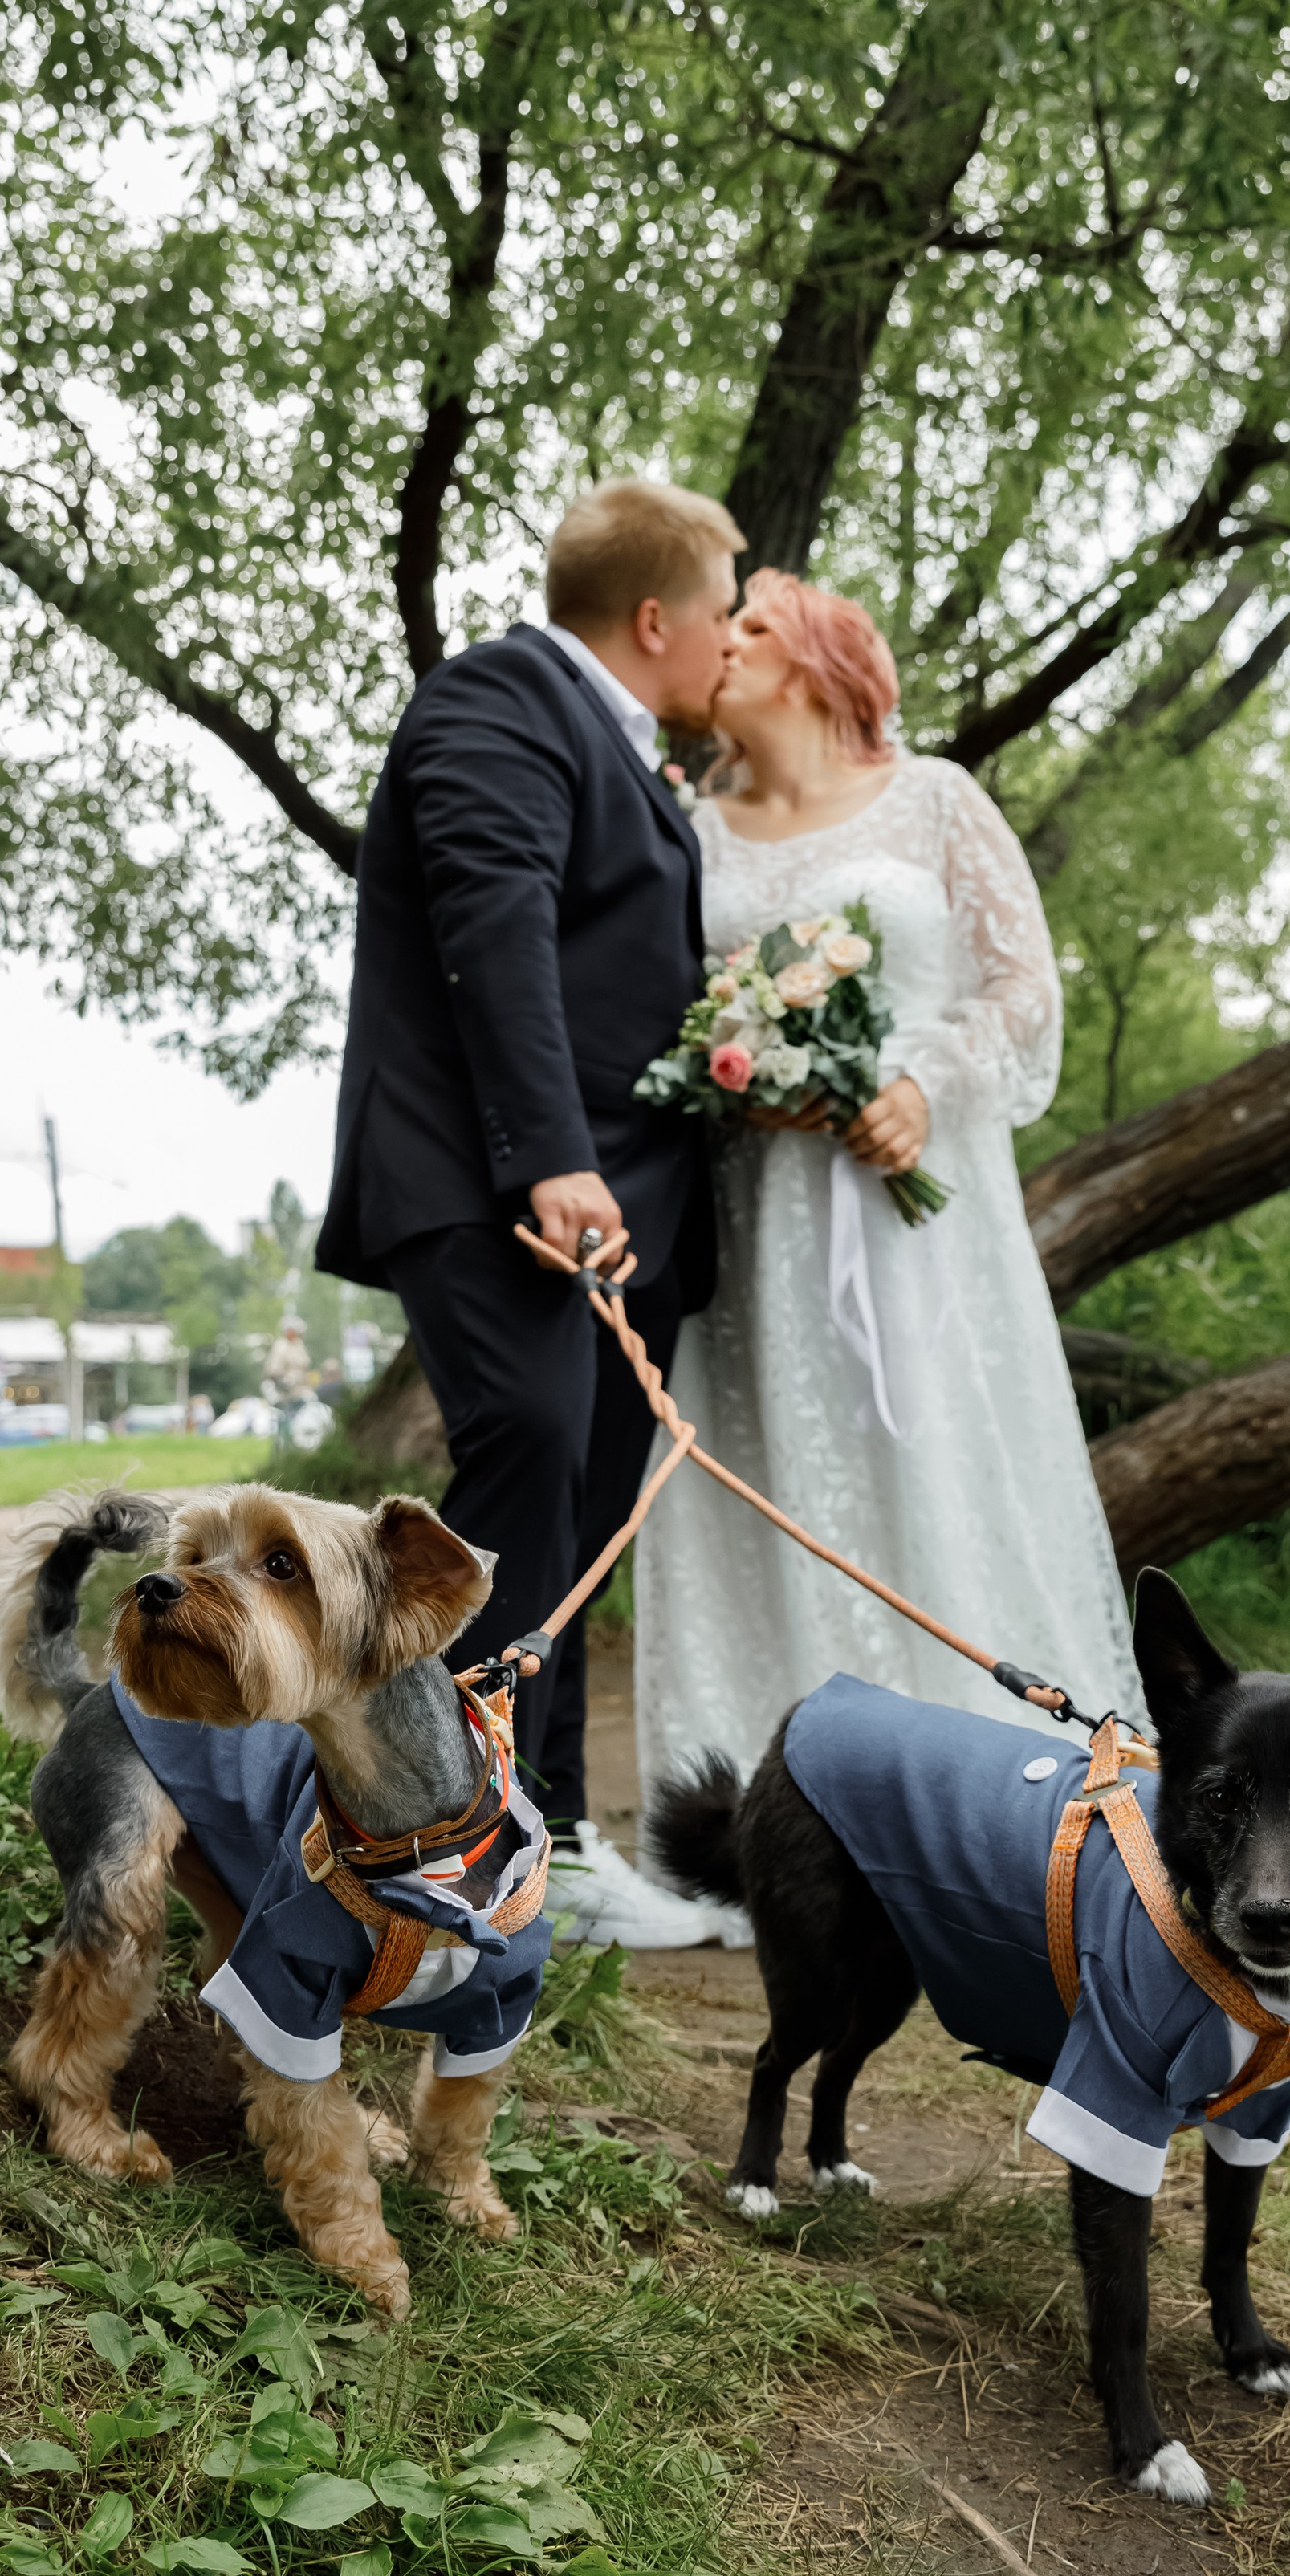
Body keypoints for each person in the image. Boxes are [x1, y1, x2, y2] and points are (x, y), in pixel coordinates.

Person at [634, 570, 1142, 1818]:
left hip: (921, 1210)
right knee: (770, 1476)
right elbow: (660, 1015)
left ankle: (1001, 1805)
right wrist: (742, 1080)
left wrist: (918, 1082)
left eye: (749, 627)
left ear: (814, 660)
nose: (722, 646)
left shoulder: (935, 800)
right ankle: (780, 1817)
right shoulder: (688, 829)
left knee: (943, 1465)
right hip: (757, 1229)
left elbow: (1024, 989)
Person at [316, 478, 743, 1941]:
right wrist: (552, 1156)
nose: (735, 642)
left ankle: (542, 1837)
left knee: (581, 1500)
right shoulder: (501, 696)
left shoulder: (638, 760)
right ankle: (448, 1844)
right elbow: (492, 914)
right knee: (525, 1471)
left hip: (621, 1216)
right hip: (504, 1183)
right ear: (653, 618)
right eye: (725, 612)